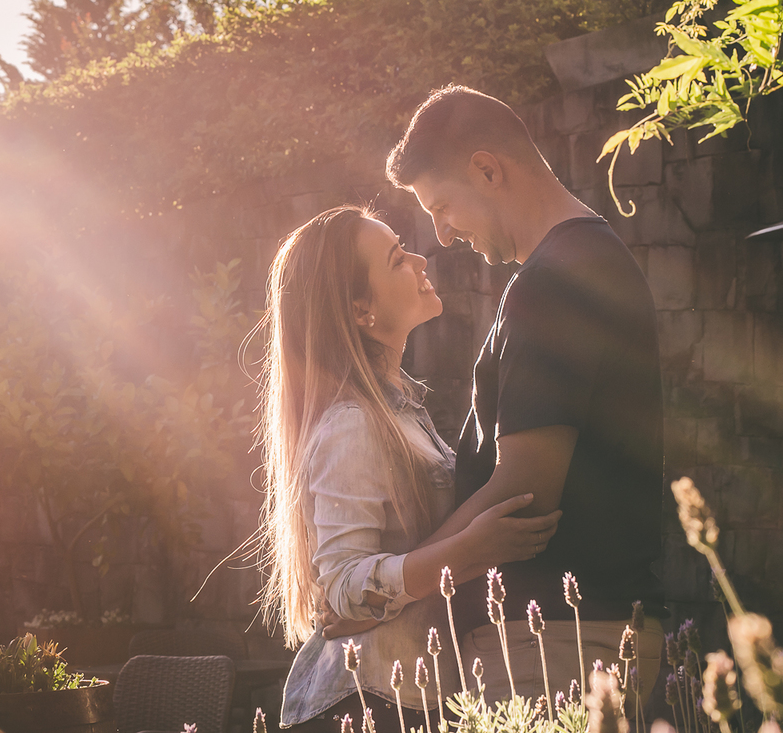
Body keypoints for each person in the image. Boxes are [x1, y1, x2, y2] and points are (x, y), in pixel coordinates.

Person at [383, 85, 667, 703]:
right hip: (573, 637)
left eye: (441, 206)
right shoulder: (578, 262)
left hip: (562, 646)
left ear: (487, 170)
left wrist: (394, 588)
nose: (442, 234)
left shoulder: (556, 280)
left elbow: (524, 491)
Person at [258, 205, 563, 731]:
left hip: (410, 695)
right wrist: (469, 550)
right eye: (398, 259)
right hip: (362, 700)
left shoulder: (399, 411)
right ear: (359, 311)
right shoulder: (352, 423)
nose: (421, 258)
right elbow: (342, 589)